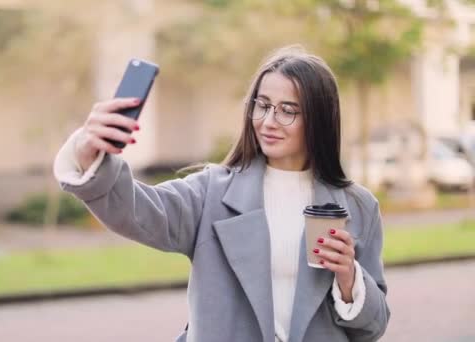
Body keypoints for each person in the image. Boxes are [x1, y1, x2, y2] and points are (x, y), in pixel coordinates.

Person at [53, 46, 390, 342]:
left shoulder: (358, 207)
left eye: (287, 110)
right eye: (262, 104)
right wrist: (88, 150)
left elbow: (372, 328)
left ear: (318, 119)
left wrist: (349, 279)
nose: (268, 121)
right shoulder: (210, 193)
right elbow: (134, 210)